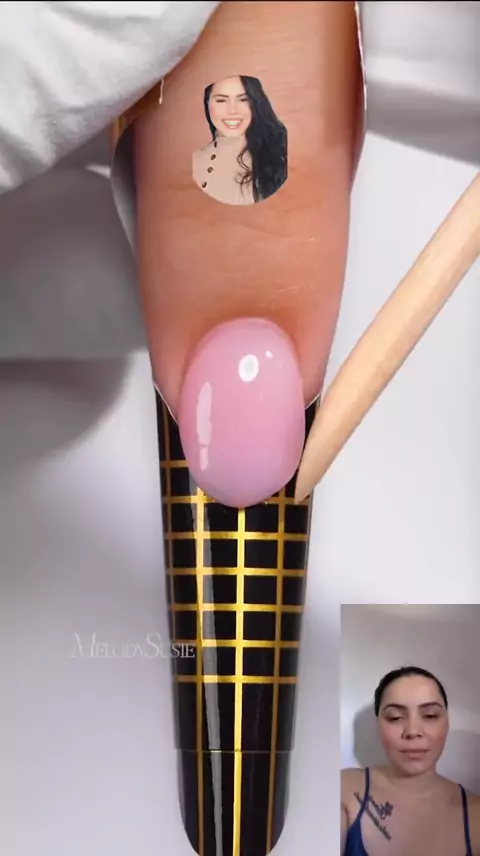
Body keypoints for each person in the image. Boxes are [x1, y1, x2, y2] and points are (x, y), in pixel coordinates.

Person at [341, 666, 480, 855]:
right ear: (378, 726)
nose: (413, 731)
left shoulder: (475, 815)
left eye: (430, 716)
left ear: (446, 724)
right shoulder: (344, 788)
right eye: (395, 717)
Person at [192, 74, 287, 205]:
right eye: (221, 100)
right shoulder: (193, 160)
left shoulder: (280, 159)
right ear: (207, 104)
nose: (232, 111)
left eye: (243, 100)